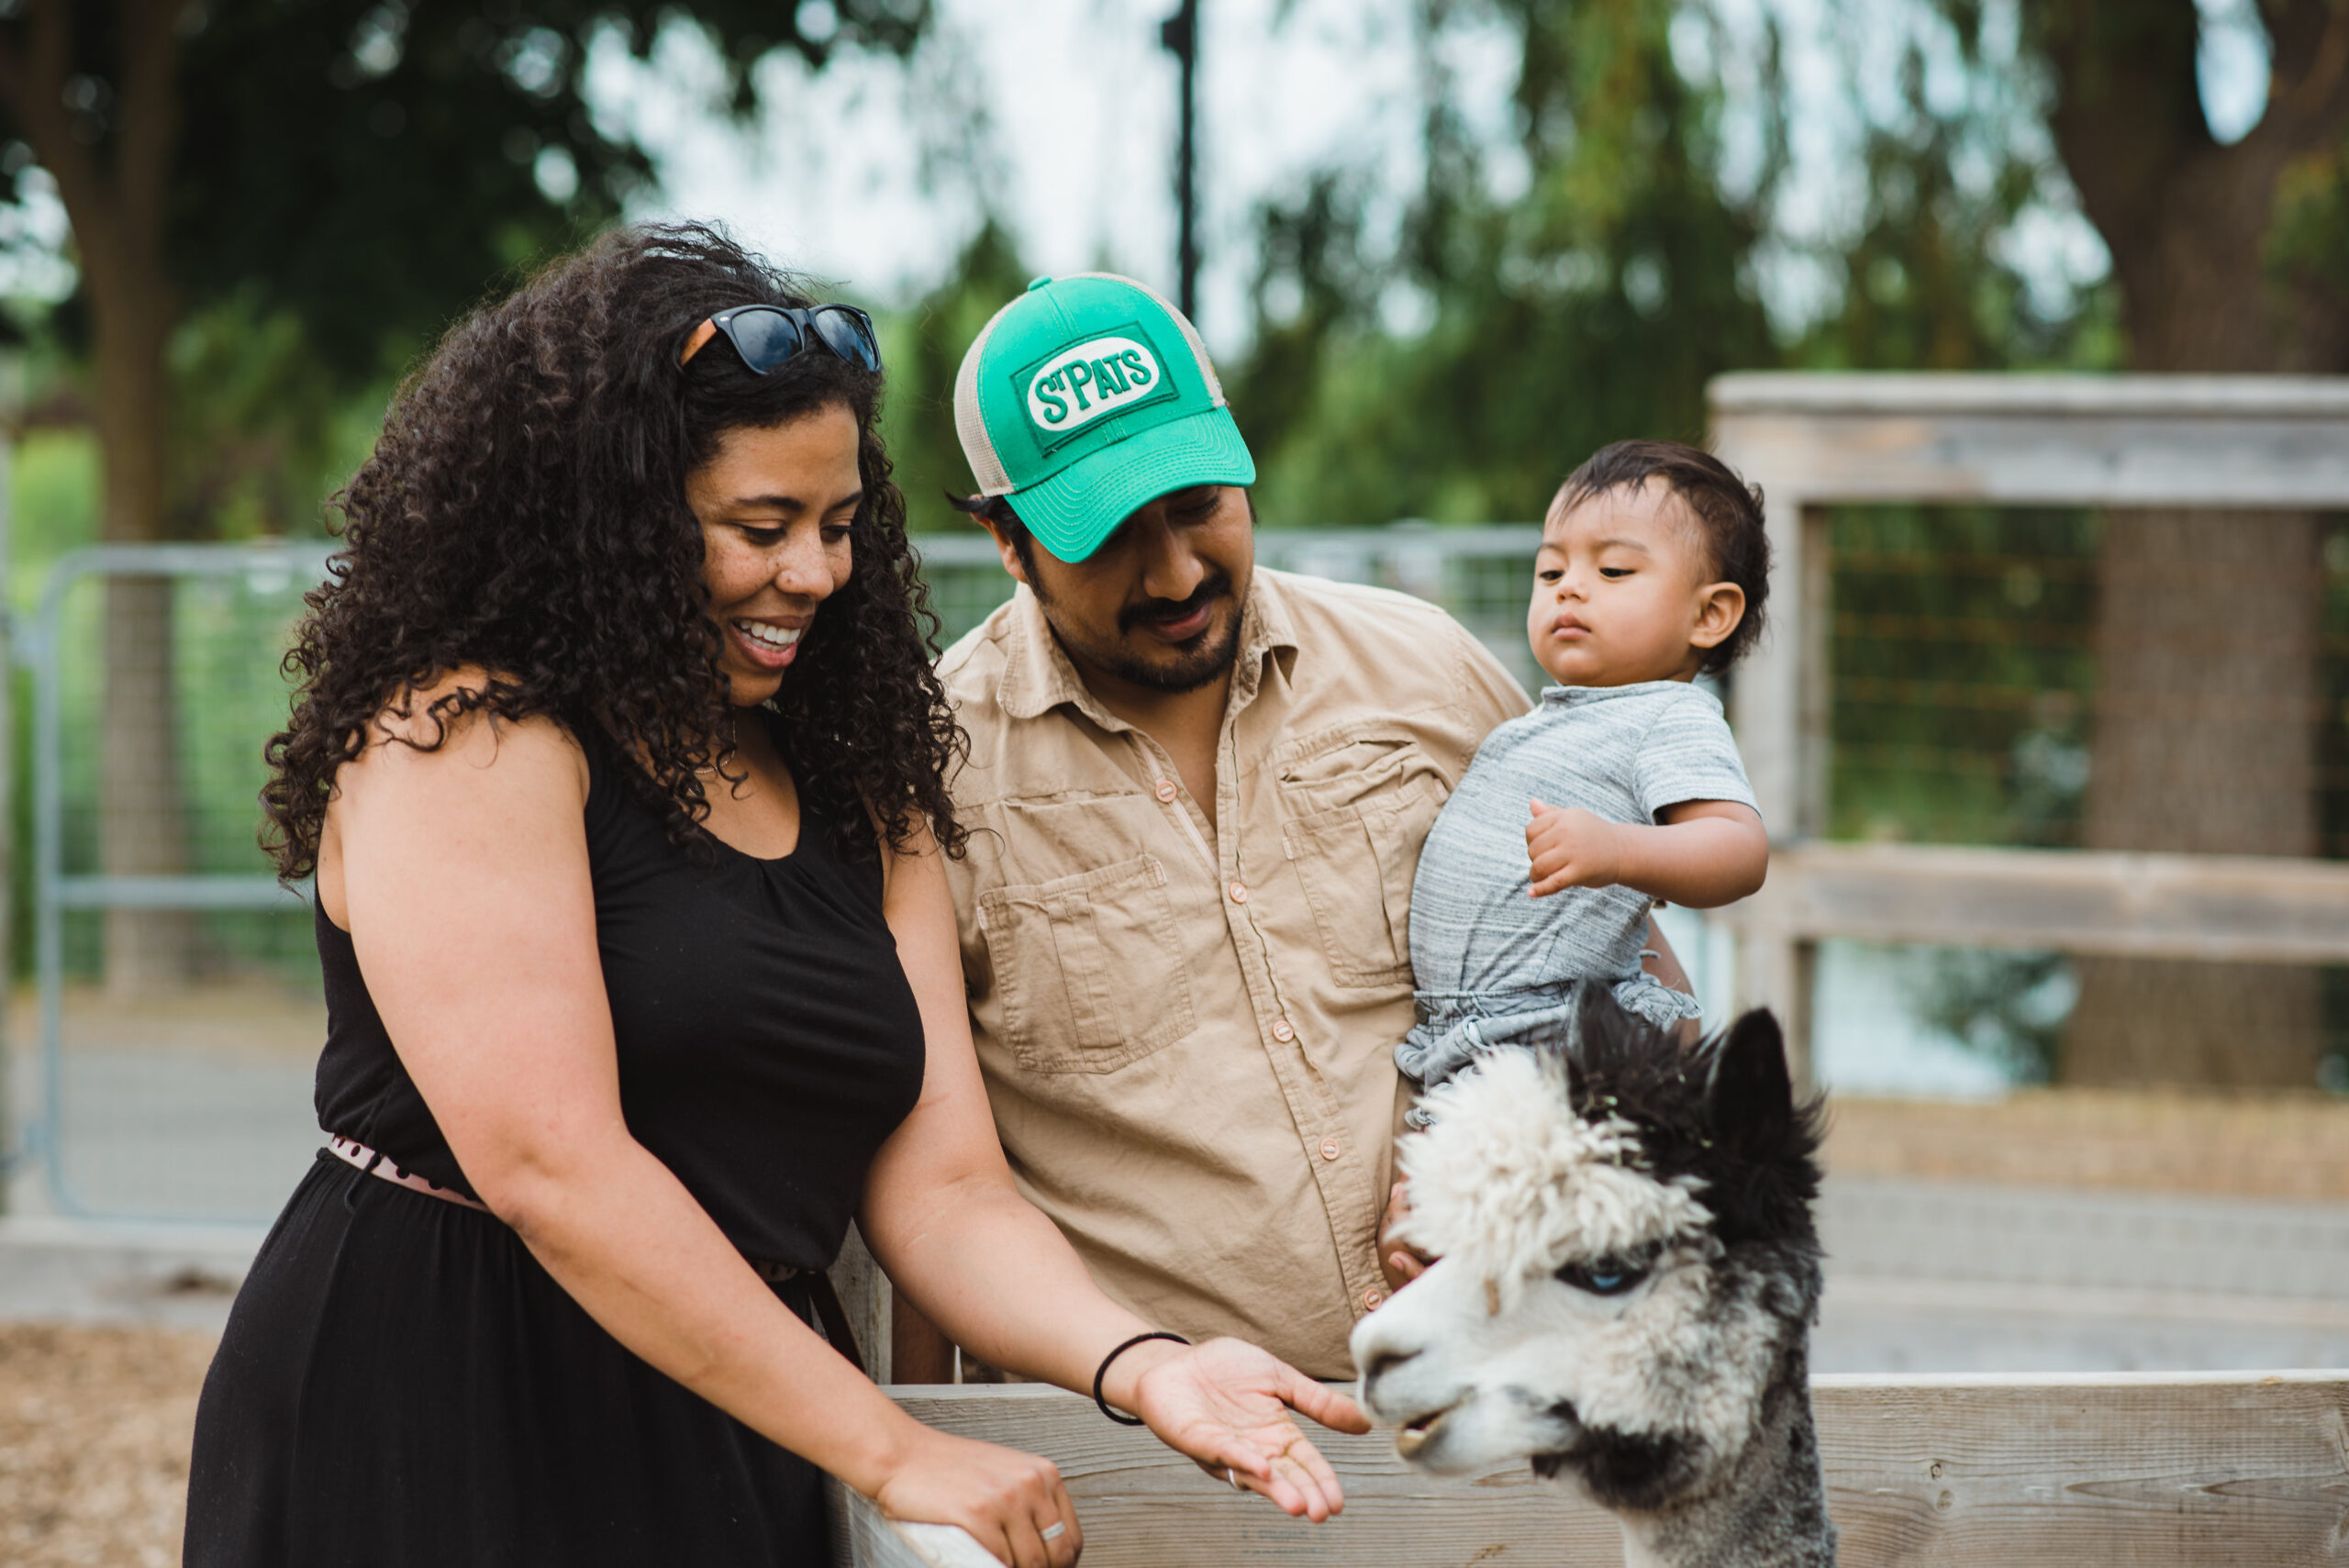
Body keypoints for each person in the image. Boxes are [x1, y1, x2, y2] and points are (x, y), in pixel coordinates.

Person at [183, 227, 1364, 1568]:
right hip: (443, 1400)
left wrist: (1144, 1363)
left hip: (738, 1411)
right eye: (761, 528)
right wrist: (891, 1445)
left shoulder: (861, 774)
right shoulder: (464, 733)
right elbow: (553, 1168)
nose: (814, 573)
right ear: (614, 518)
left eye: (840, 526)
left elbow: (947, 1193)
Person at [925, 273, 1699, 1382]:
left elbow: (1641, 986)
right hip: (1153, 1452)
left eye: (1198, 503)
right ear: (1008, 540)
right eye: (1109, 535)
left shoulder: (1426, 670)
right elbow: (935, 1187)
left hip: (1508, 1398)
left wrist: (1548, 1176)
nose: (1176, 571)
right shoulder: (934, 776)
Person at [1397, 439, 1772, 1110]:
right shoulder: (1547, 718)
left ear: (1709, 614)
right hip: (1469, 1032)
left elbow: (1740, 849)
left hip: (1556, 1032)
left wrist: (1619, 850)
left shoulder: (1669, 715)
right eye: (1550, 572)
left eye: (1614, 569)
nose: (1569, 586)